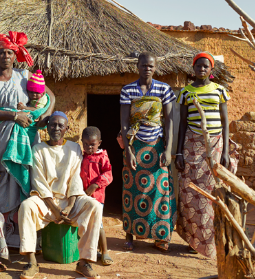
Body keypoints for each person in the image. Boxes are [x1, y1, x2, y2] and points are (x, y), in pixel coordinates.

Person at [0, 32, 54, 246]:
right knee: (0, 178)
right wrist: (13, 115)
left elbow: (50, 97)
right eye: (1, 52)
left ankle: (26, 238)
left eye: (10, 52)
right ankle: (1, 237)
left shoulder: (26, 75)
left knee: (26, 180)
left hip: (26, 139)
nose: (6, 56)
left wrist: (43, 117)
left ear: (15, 55)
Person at [18, 112, 103, 279]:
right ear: (47, 127)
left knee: (94, 206)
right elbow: (39, 183)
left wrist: (70, 206)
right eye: (52, 124)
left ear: (67, 129)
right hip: (47, 202)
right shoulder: (38, 150)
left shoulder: (74, 148)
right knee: (26, 206)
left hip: (70, 200)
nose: (56, 128)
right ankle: (32, 261)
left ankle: (84, 262)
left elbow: (75, 179)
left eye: (60, 125)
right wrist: (56, 210)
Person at [175, 51, 238, 259]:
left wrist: (226, 152)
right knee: (190, 193)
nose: (201, 69)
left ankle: (210, 242)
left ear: (211, 70)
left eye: (206, 66)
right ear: (193, 68)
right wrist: (179, 153)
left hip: (215, 145)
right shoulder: (185, 92)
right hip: (192, 145)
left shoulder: (220, 91)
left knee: (210, 192)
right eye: (198, 66)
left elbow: (225, 122)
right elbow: (183, 124)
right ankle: (194, 241)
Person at [119, 52, 177, 252]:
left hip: (157, 146)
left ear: (155, 67)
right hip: (135, 146)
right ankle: (129, 235)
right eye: (144, 65)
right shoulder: (127, 90)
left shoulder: (165, 89)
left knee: (159, 190)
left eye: (151, 65)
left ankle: (160, 236)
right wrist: (128, 150)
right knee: (132, 189)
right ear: (138, 66)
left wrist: (168, 149)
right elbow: (125, 122)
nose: (147, 68)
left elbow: (169, 121)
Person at [80, 126, 113, 266]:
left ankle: (105, 251)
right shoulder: (81, 156)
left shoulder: (102, 156)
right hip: (83, 197)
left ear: (99, 142)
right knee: (86, 224)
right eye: (86, 144)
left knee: (98, 224)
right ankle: (91, 251)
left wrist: (96, 185)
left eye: (92, 145)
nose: (89, 147)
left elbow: (108, 174)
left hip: (97, 197)